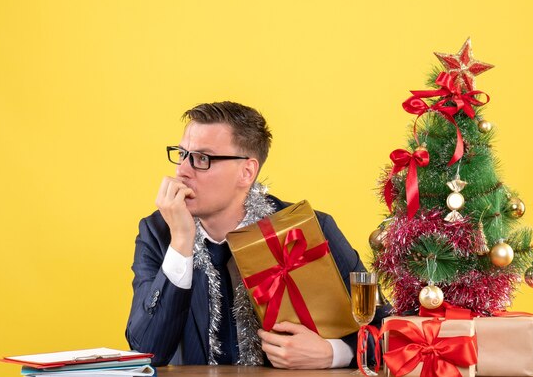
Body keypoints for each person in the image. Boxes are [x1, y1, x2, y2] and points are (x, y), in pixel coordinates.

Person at [126, 101, 387, 369]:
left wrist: (333, 353)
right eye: (182, 154)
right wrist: (181, 241)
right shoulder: (158, 232)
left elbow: (385, 332)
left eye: (202, 158)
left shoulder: (307, 229)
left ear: (246, 172)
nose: (182, 170)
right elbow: (147, 351)